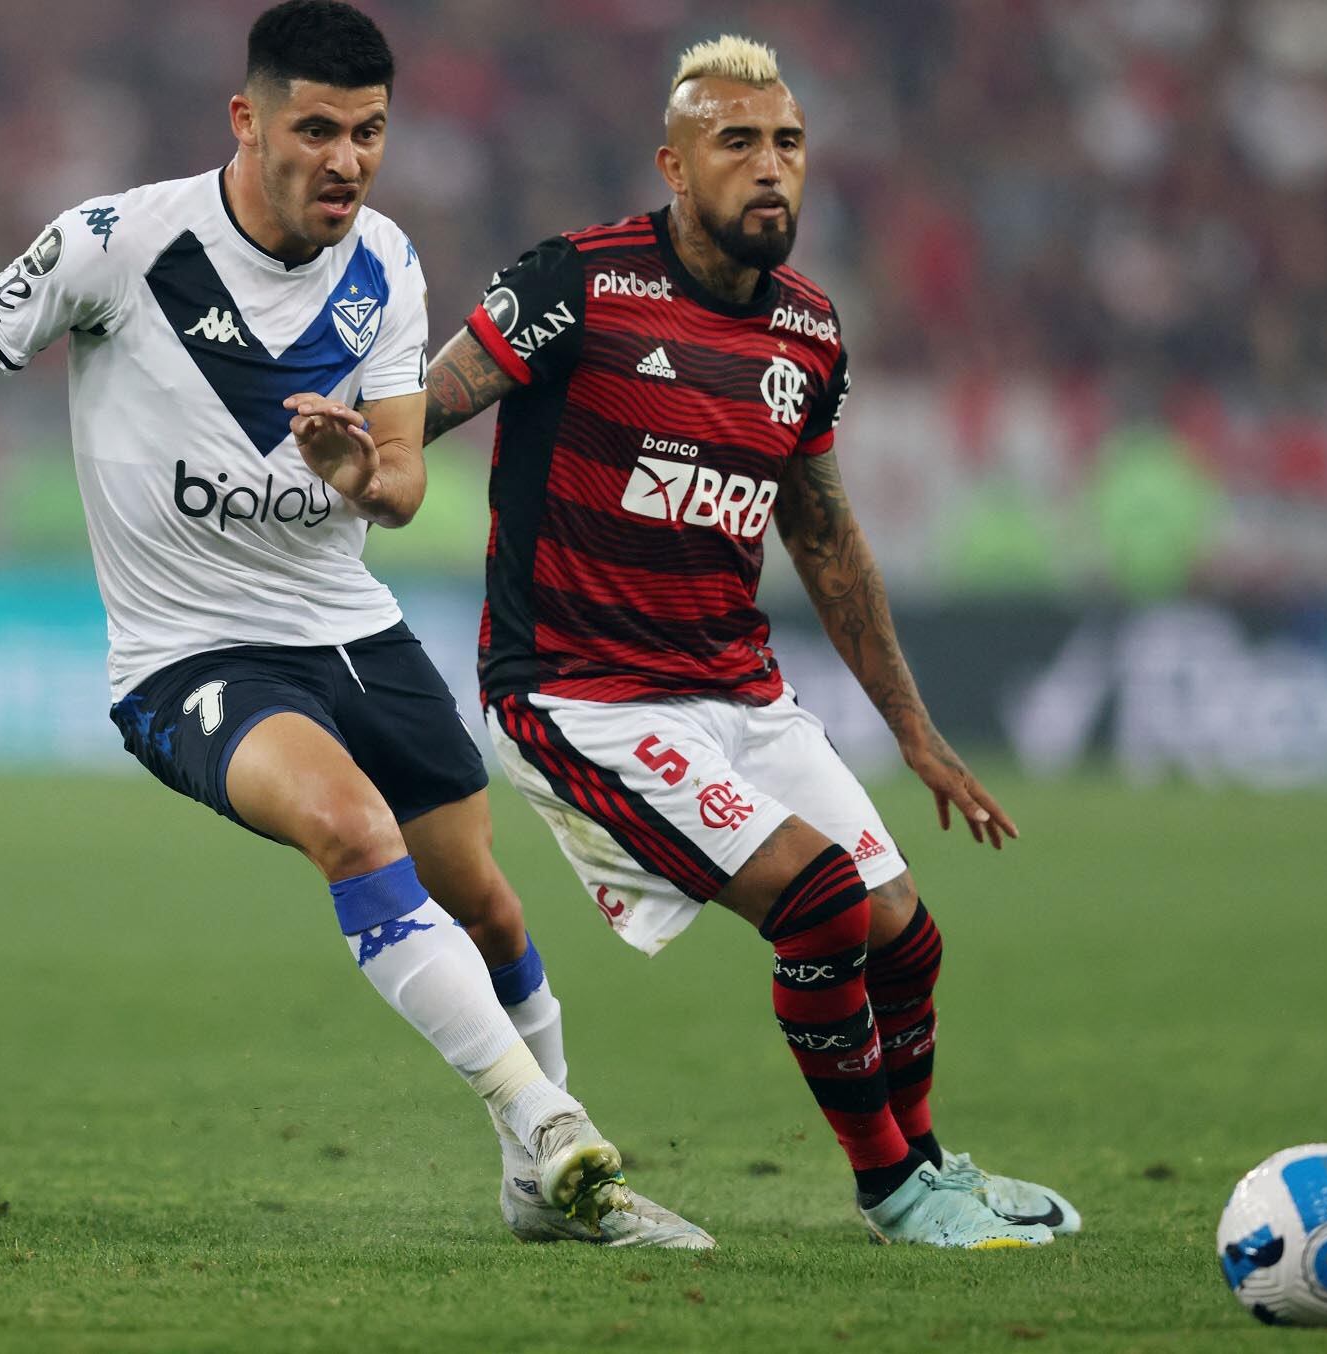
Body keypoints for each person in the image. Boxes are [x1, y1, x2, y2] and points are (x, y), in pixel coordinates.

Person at [0, 0, 709, 1250]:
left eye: (369, 133)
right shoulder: (117, 244)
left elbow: (404, 481)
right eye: (316, 130)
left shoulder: (389, 265)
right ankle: (560, 1135)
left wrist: (363, 479)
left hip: (351, 626)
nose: (345, 160)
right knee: (349, 829)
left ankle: (529, 1190)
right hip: (189, 655)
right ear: (246, 121)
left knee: (492, 911)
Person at [421, 34, 1081, 1249]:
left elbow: (826, 540)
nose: (769, 168)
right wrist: (364, 450)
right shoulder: (577, 279)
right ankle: (889, 1189)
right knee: (822, 901)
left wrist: (919, 737)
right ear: (674, 165)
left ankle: (929, 1167)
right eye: (737, 144)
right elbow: (432, 399)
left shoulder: (809, 335)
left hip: (740, 690)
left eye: (786, 143)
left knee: (905, 934)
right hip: (581, 695)